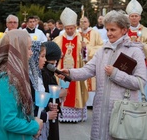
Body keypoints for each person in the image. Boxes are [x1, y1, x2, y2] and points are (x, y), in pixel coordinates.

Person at [57, 10, 147, 139]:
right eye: (107, 30)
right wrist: (70, 73)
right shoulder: (103, 50)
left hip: (122, 111)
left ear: (124, 30)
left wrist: (115, 74)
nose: (109, 33)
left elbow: (140, 82)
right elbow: (88, 70)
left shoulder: (135, 52)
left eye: (113, 30)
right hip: (100, 108)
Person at [0, 29, 43, 140]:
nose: (31, 52)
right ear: (18, 50)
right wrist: (35, 126)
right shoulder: (7, 80)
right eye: (28, 48)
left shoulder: (15, 75)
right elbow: (9, 121)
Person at [53, 7, 88, 122]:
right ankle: (62, 115)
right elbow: (52, 55)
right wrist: (59, 55)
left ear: (75, 27)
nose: (69, 30)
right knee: (62, 89)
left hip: (76, 71)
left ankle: (76, 116)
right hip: (62, 70)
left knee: (75, 89)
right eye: (67, 28)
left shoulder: (81, 39)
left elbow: (86, 56)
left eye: (71, 28)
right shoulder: (58, 39)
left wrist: (84, 49)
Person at [29, 41, 58, 140]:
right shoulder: (29, 78)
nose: (45, 60)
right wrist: (46, 116)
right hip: (34, 123)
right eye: (42, 56)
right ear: (35, 57)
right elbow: (30, 105)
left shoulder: (38, 74)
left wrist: (47, 104)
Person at [42, 41, 67, 140]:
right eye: (53, 63)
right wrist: (60, 93)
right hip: (48, 112)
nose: (54, 65)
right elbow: (45, 93)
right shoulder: (44, 72)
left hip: (52, 110)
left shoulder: (48, 71)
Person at [78, 16, 103, 106]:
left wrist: (86, 48)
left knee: (91, 81)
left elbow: (100, 47)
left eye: (85, 21)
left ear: (88, 23)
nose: (83, 23)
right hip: (79, 62)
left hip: (91, 61)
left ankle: (91, 103)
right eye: (81, 22)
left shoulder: (95, 33)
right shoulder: (77, 33)